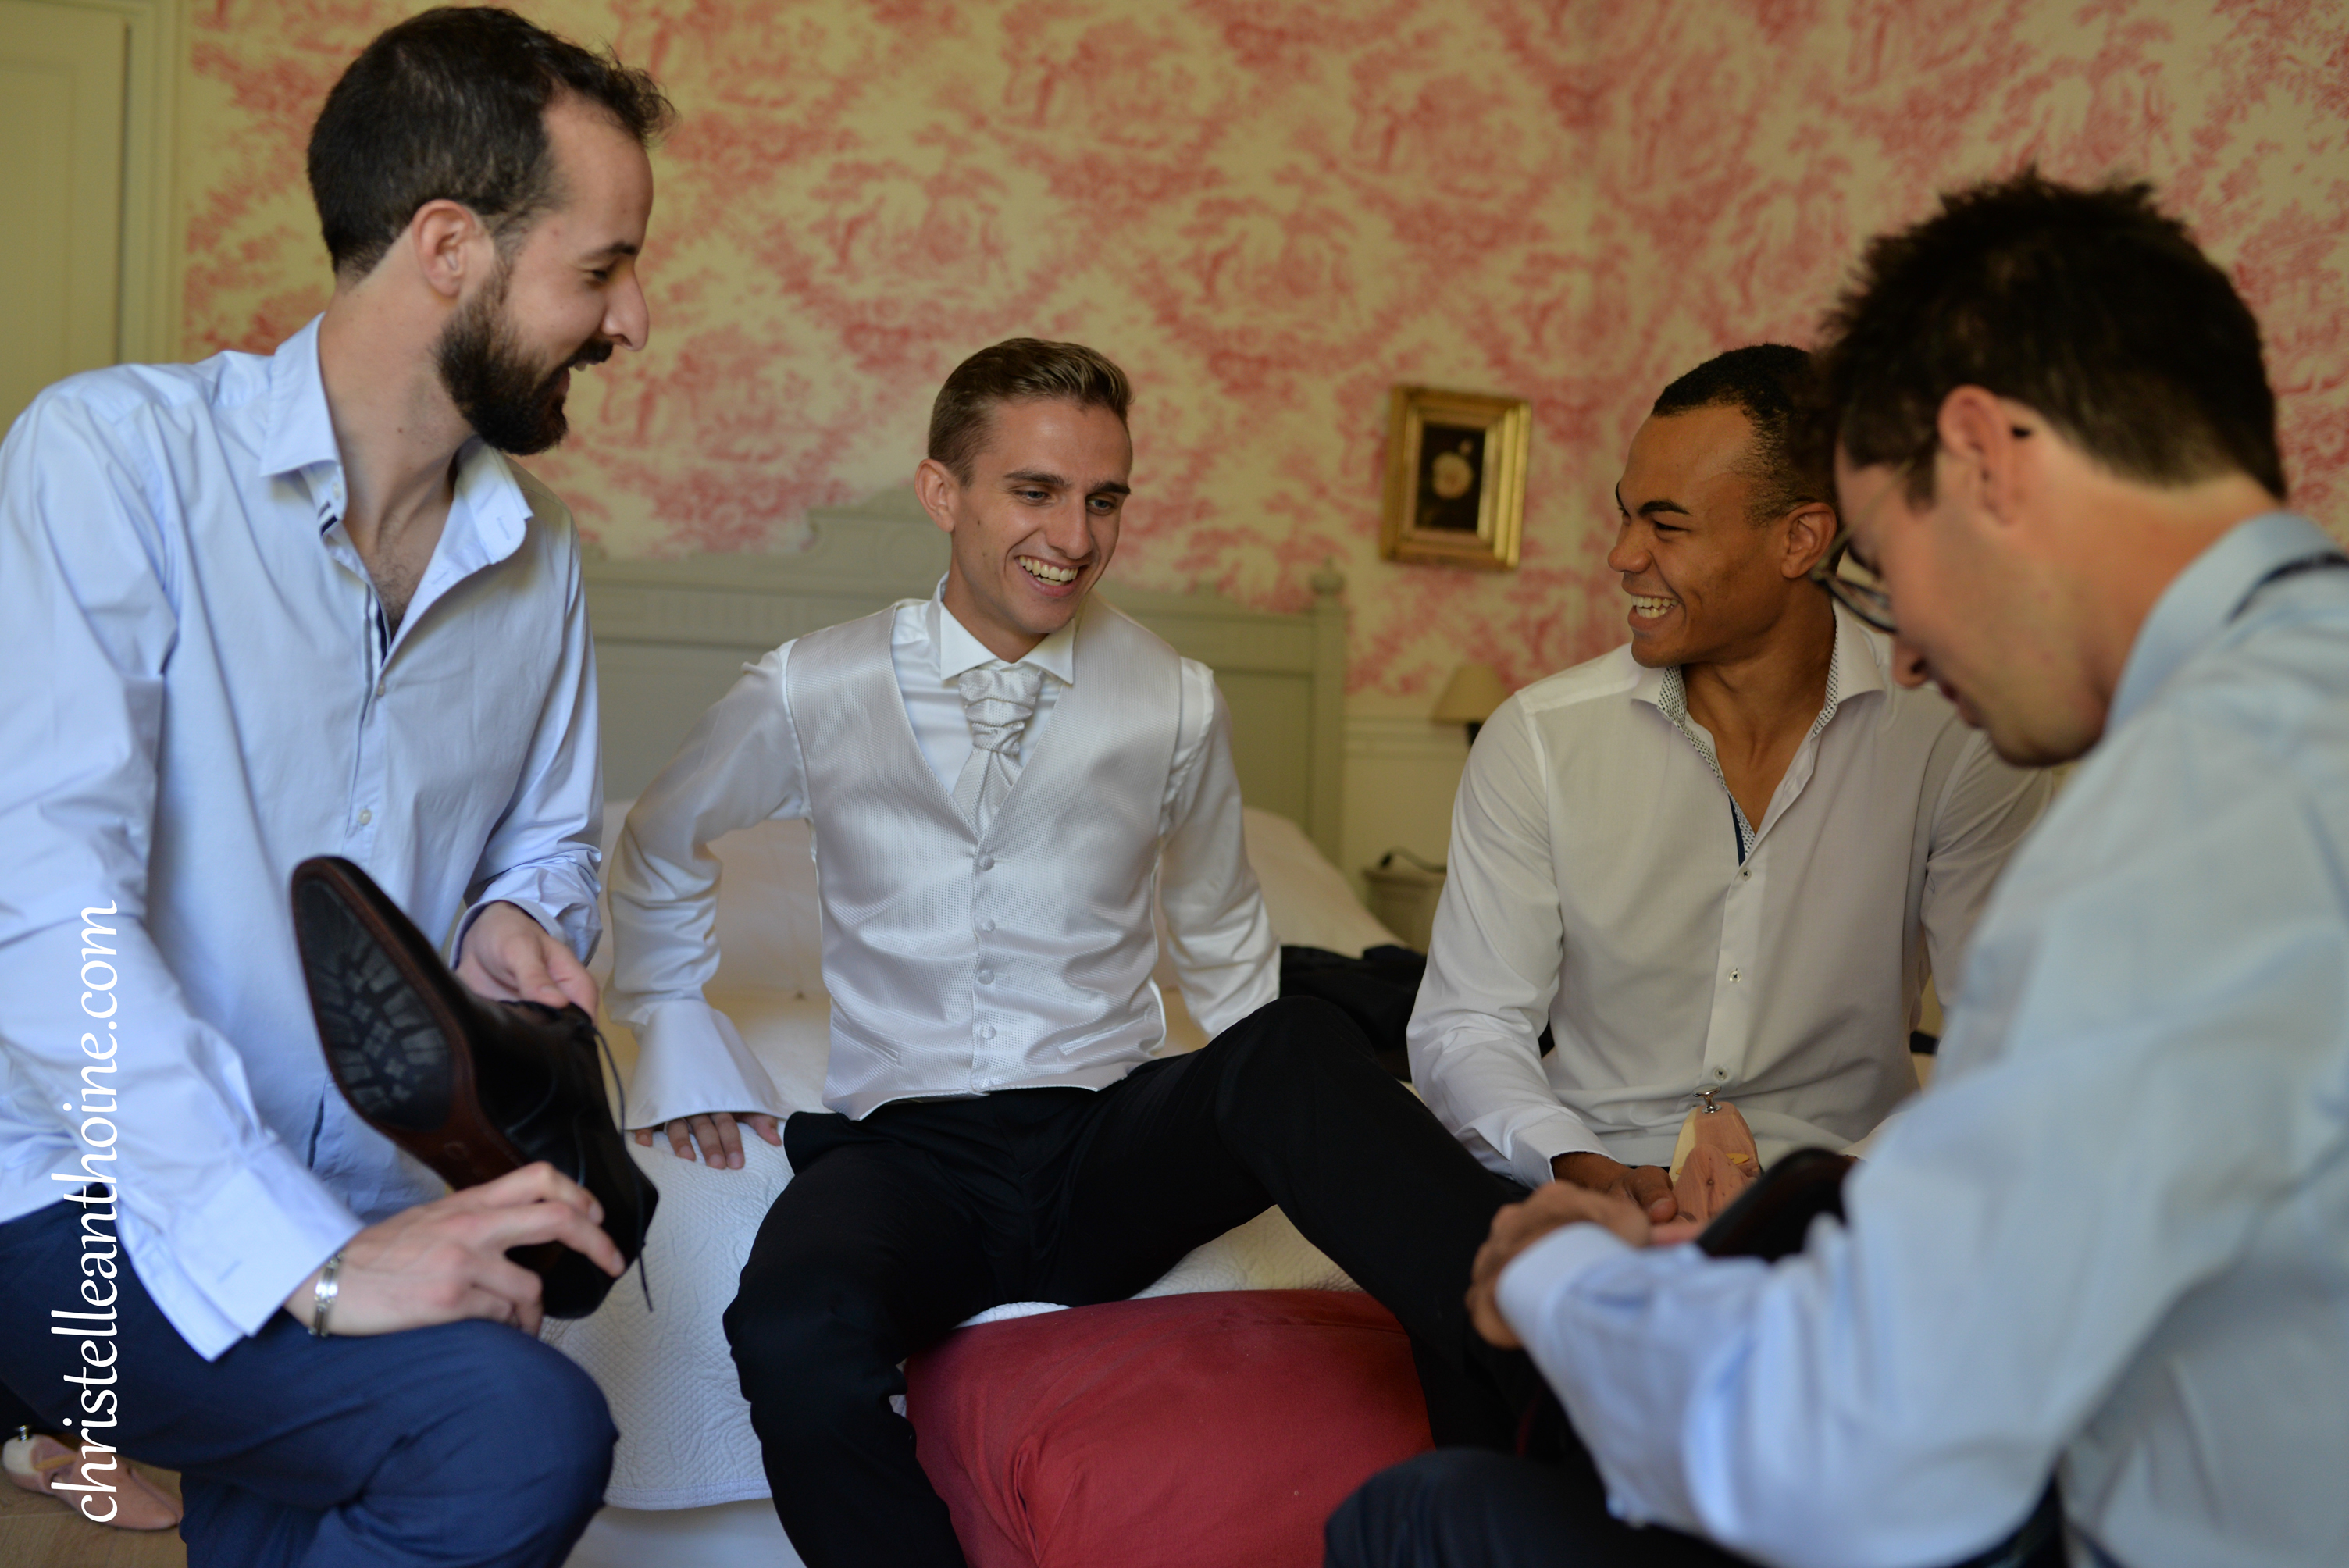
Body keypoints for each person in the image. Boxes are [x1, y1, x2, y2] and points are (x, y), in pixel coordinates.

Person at [1331, 171, 2349, 1568]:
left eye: (1883, 562)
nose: (1907, 646)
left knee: (1421, 1516)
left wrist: (1562, 1274)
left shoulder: (2168, 823)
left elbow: (1846, 1449)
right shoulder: (2280, 728)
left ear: (1984, 458)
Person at [608, 338, 1538, 1568]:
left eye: (1106, 499)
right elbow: (660, 837)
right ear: (943, 492)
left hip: (1109, 1144)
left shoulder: (1175, 697)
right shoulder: (809, 688)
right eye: (1036, 491)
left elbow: (1224, 940)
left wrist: (1313, 1129)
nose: (1077, 535)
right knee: (788, 1327)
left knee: (1303, 1040)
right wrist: (679, 1032)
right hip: (910, 1155)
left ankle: (1535, 1434)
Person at [0, 9, 673, 1563]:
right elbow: (43, 907)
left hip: (377, 1191)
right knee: (517, 1427)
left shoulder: (539, 552)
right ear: (448, 246)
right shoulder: (111, 460)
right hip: (73, 1203)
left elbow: (547, 841)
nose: (631, 321)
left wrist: (516, 915)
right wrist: (305, 1263)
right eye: (600, 268)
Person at [1409, 345, 2048, 1230]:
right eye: (1625, 514)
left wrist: (1821, 1197)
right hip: (1590, 1180)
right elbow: (1469, 1025)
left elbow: (2008, 1031)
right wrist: (1584, 1170)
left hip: (1852, 1199)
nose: (1621, 554)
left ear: (1800, 539)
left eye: (1666, 526)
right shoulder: (1540, 738)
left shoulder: (1956, 737)